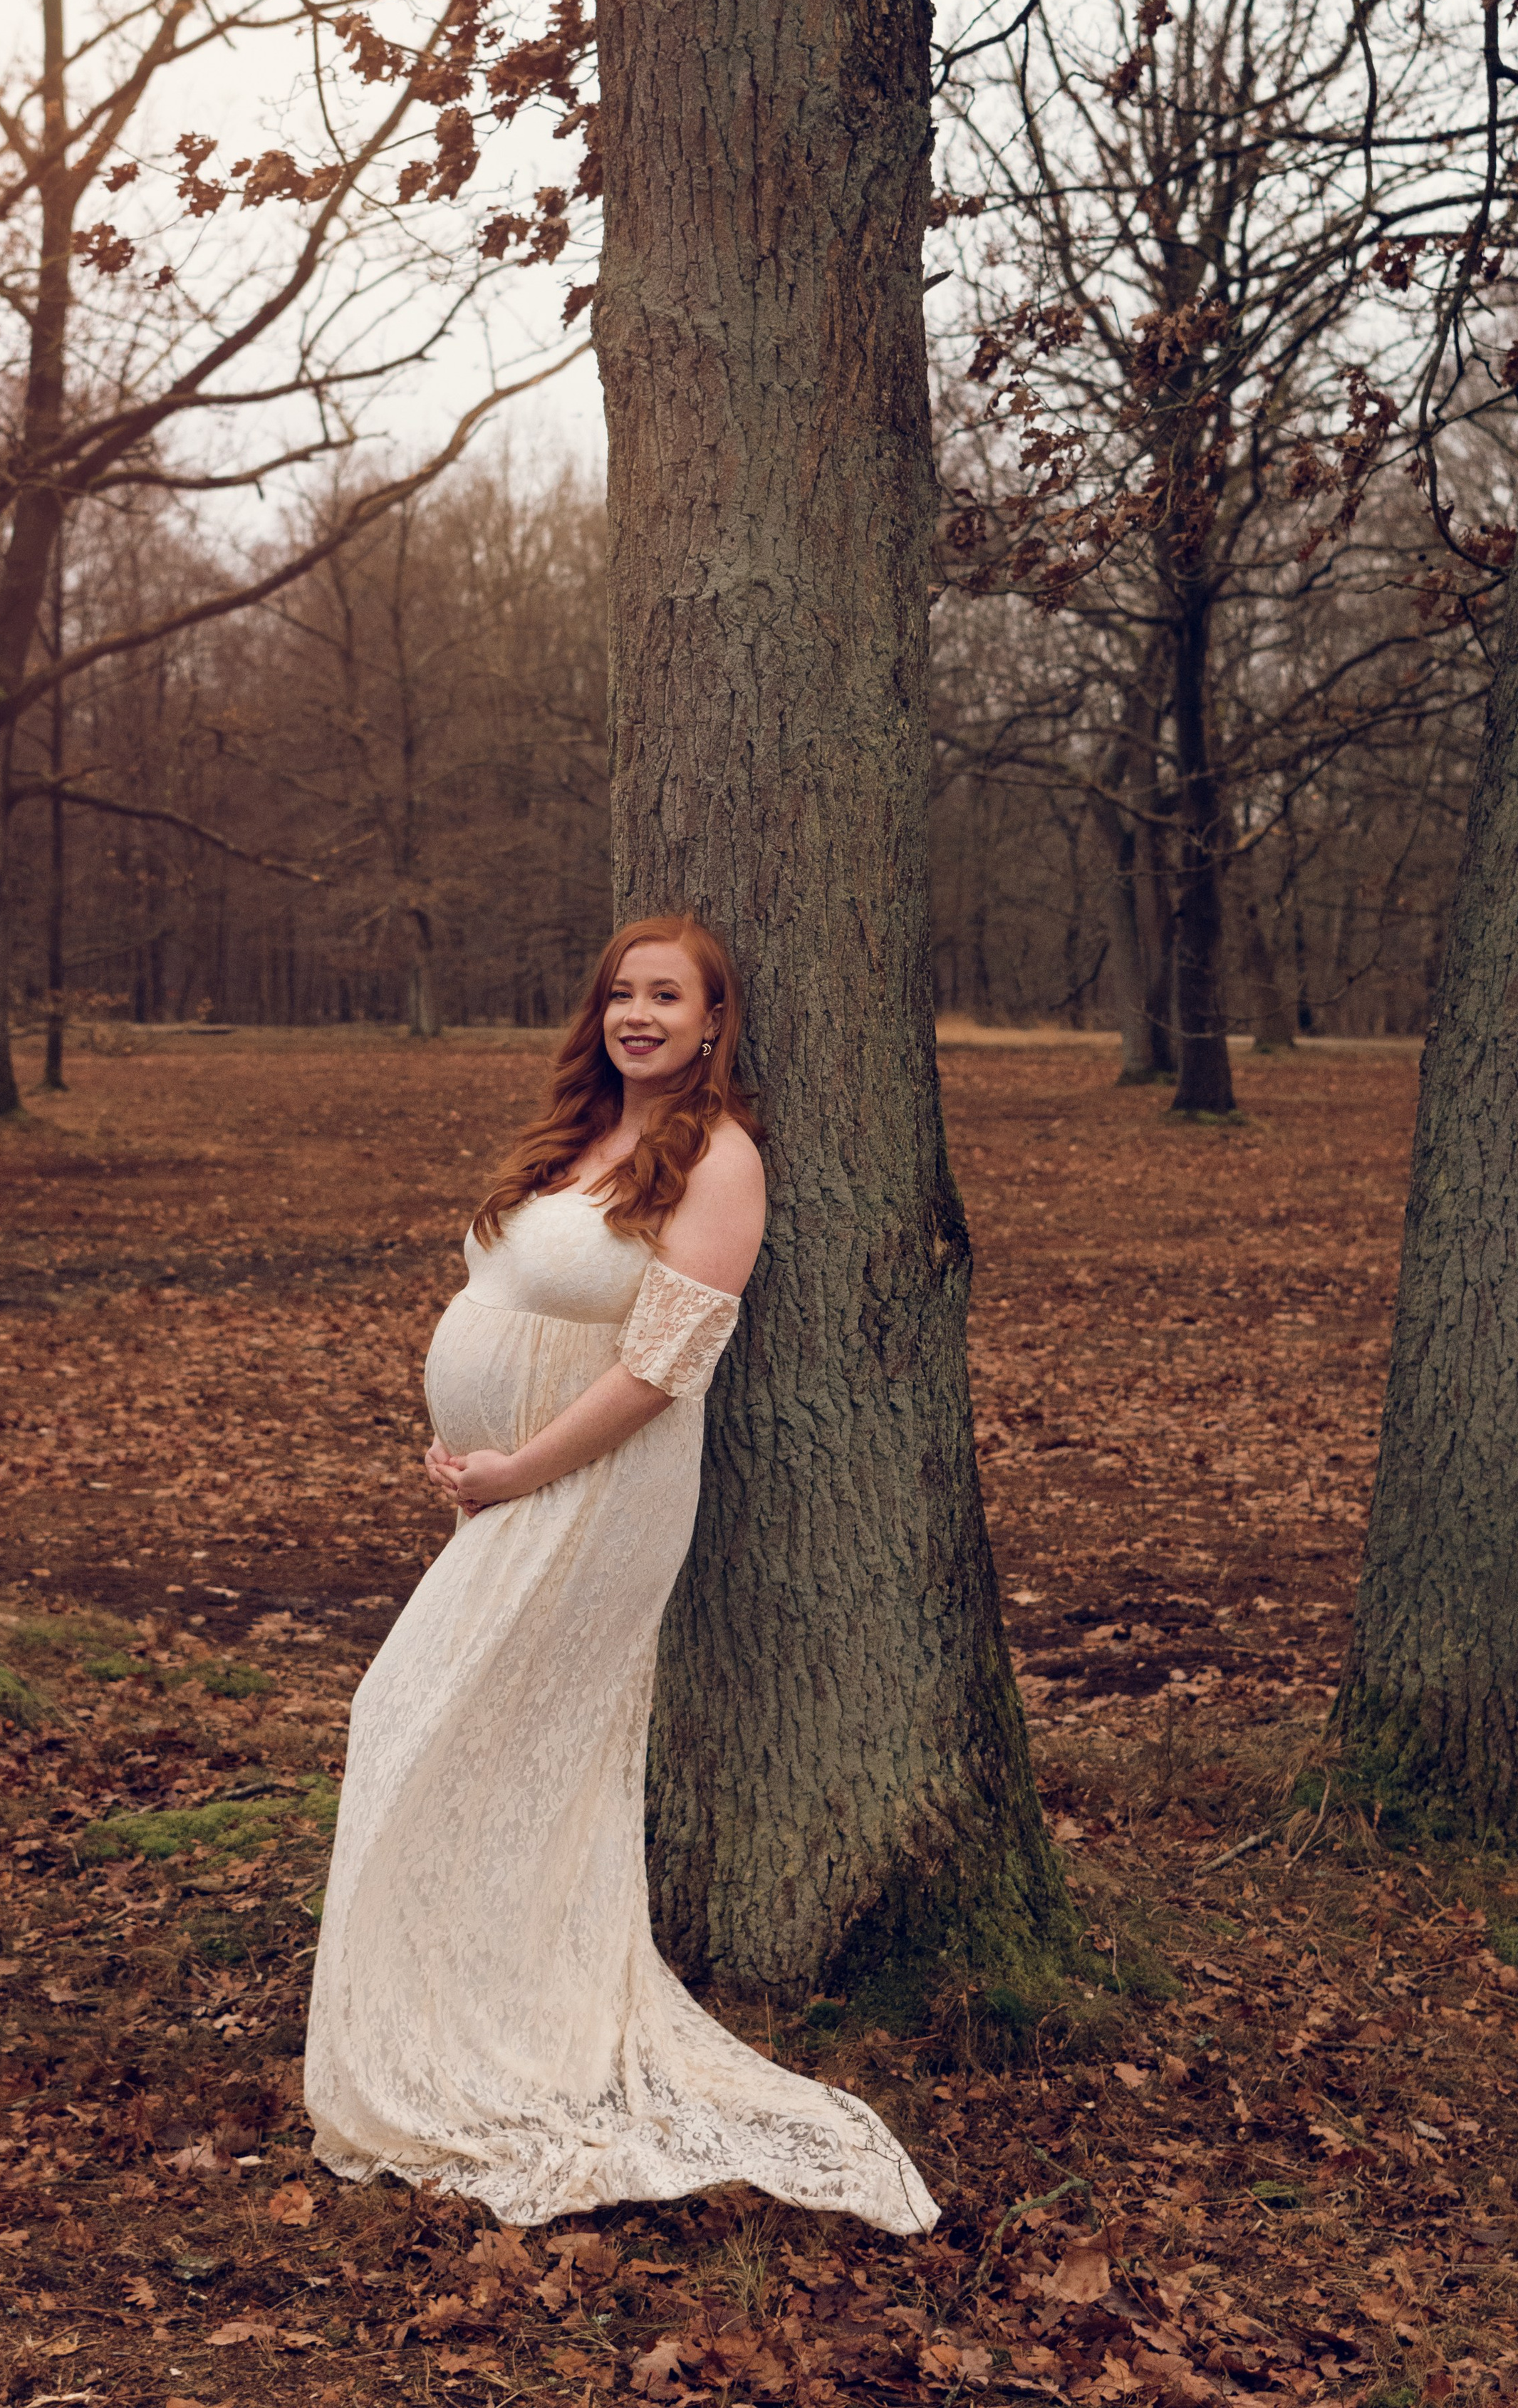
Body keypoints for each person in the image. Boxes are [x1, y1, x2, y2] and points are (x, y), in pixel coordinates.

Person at [304, 915, 940, 2235]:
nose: (638, 1015)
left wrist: (517, 1469)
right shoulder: (578, 1136)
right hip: (509, 1487)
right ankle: (462, 2008)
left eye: (668, 996)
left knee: (424, 1720)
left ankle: (503, 2034)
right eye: (620, 994)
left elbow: (661, 1368)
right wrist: (478, 1454)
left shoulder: (718, 1158)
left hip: (594, 1492)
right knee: (467, 1739)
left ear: (715, 1026)